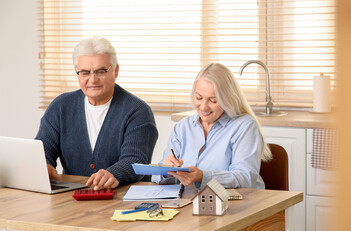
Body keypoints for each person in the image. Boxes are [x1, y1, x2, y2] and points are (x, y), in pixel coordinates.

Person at [36, 37, 158, 190]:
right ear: (77, 74)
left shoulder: (138, 111)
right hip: (72, 196)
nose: (92, 79)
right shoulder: (60, 107)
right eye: (85, 72)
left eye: (101, 71)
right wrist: (44, 165)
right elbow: (43, 149)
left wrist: (114, 173)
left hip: (122, 196)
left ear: (115, 71)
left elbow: (136, 160)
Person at [152, 63, 271, 189]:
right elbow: (156, 176)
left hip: (235, 204)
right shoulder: (182, 127)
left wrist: (203, 176)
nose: (203, 107)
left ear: (227, 99)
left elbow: (245, 178)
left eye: (213, 100)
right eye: (198, 98)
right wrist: (166, 171)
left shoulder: (244, 126)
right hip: (189, 202)